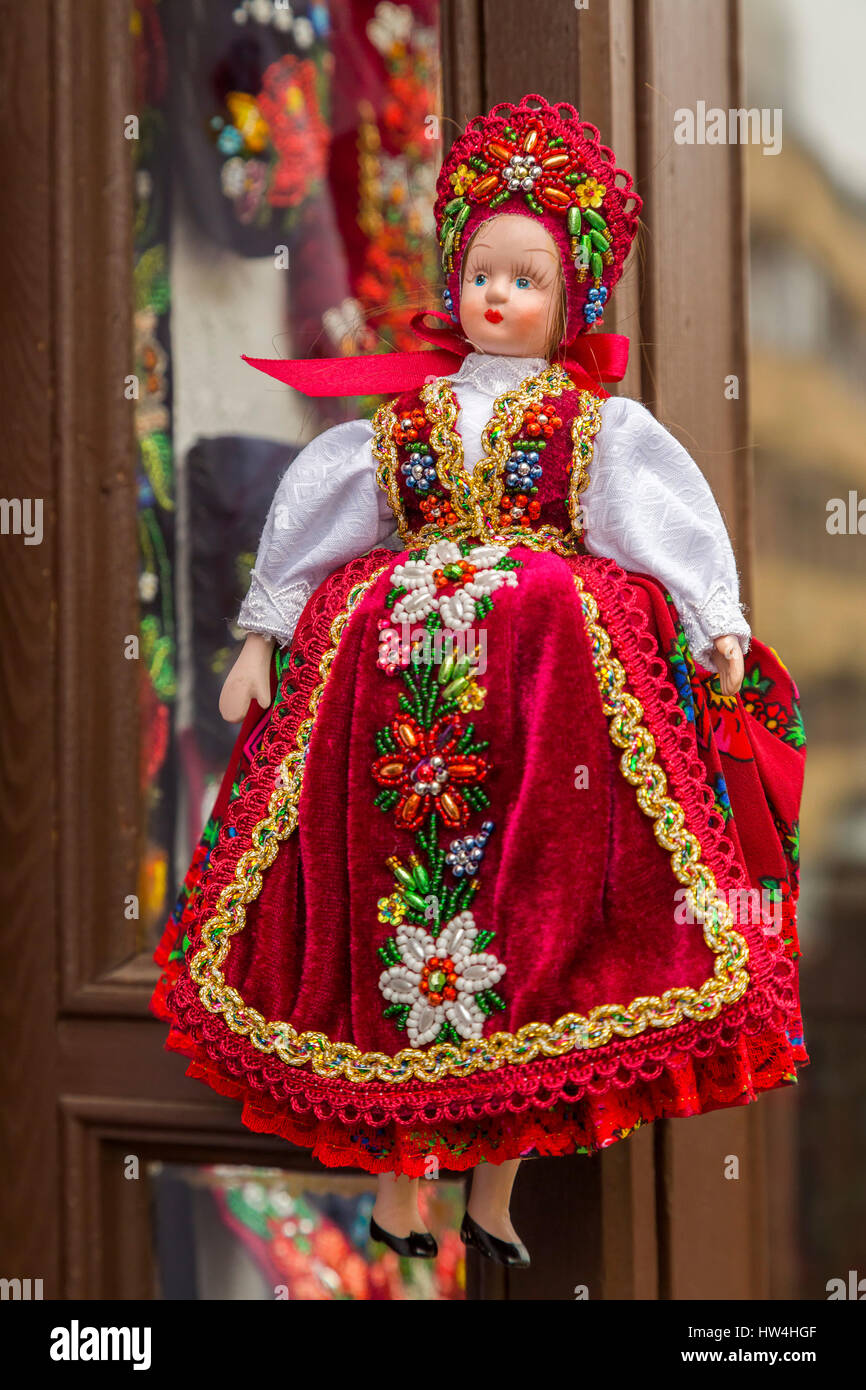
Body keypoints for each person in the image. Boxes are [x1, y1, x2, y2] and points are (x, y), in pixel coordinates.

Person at [152, 94, 808, 1269]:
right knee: (407, 922)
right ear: (454, 280)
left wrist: (715, 623)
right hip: (397, 693)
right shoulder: (395, 427)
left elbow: (657, 520)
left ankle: (491, 1192)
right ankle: (405, 1196)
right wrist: (263, 634)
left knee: (529, 928)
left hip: (549, 694)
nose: (498, 298)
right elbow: (319, 520)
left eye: (528, 281)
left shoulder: (590, 427)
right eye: (482, 275)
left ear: (571, 303)